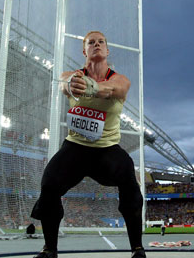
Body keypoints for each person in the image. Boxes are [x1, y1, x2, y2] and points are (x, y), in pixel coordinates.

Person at [31, 31, 146, 258]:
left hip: (107, 150)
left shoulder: (120, 79)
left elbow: (115, 89)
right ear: (84, 51)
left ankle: (137, 249)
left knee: (130, 183)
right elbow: (64, 83)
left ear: (107, 50)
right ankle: (49, 250)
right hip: (76, 147)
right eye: (90, 42)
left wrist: (92, 87)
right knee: (49, 184)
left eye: (100, 42)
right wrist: (70, 84)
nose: (96, 45)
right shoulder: (72, 76)